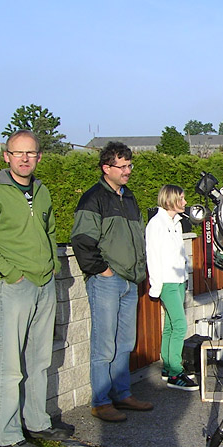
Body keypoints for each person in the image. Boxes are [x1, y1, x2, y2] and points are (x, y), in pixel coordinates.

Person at [0, 130, 72, 447]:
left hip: (43, 284)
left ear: (39, 157)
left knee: (39, 359)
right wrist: (10, 274)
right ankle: (9, 435)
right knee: (10, 364)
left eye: (31, 153)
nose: (25, 158)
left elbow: (49, 230)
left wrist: (53, 264)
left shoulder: (41, 191)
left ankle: (37, 421)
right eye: (18, 153)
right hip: (13, 287)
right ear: (6, 156)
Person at [71, 141, 153, 422]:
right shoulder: (93, 199)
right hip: (107, 281)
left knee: (125, 343)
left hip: (130, 282)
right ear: (107, 168)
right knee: (104, 345)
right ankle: (101, 401)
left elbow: (137, 238)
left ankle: (122, 394)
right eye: (123, 166)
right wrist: (103, 271)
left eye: (130, 165)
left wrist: (139, 272)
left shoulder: (128, 197)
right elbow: (82, 240)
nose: (128, 170)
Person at [145, 185, 199, 390]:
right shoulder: (156, 224)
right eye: (182, 198)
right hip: (166, 282)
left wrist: (185, 277)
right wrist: (156, 286)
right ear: (171, 200)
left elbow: (179, 254)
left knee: (170, 325)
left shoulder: (176, 222)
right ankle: (176, 373)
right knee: (180, 325)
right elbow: (153, 256)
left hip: (178, 280)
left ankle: (168, 368)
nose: (185, 202)